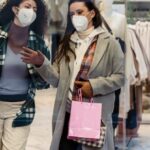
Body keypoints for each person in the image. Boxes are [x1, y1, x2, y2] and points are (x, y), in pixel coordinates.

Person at [21, 0, 124, 149]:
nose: (76, 17)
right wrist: (41, 63)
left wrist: (93, 86)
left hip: (92, 114)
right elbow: (57, 80)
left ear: (92, 13)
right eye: (72, 14)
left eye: (80, 12)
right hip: (67, 113)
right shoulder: (67, 43)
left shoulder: (109, 43)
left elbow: (120, 77)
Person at [0, 0, 50, 150]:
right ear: (15, 9)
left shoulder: (39, 43)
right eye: (27, 7)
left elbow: (45, 83)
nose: (31, 12)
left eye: (35, 9)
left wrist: (40, 64)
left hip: (20, 108)